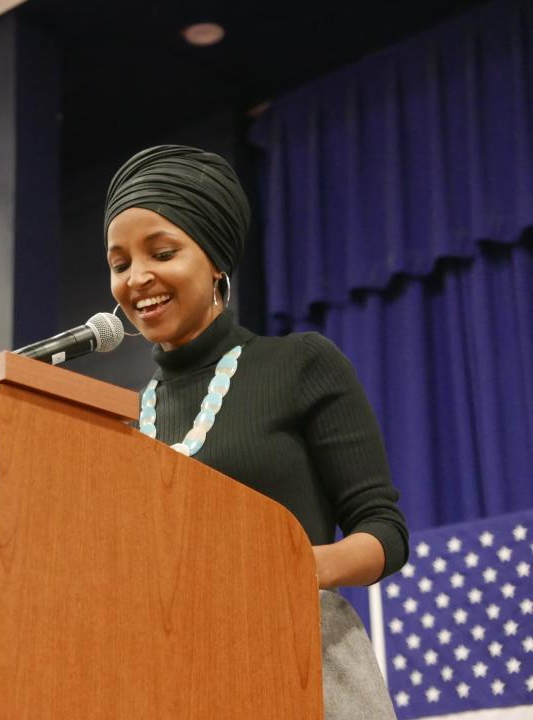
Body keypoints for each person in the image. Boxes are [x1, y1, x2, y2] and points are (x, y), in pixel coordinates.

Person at [104, 145, 409, 720]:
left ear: (216, 260)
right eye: (120, 264)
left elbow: (384, 531)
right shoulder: (125, 418)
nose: (138, 278)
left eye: (162, 252)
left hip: (299, 658)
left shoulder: (298, 363)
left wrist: (295, 569)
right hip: (171, 679)